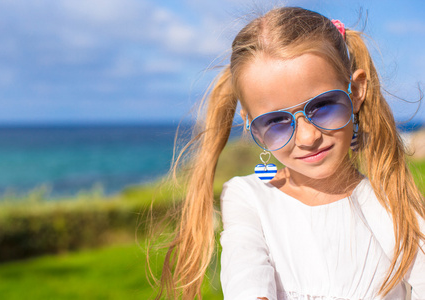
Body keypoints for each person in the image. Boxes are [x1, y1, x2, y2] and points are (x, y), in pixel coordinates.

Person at [151, 6, 425, 300]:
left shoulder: (391, 204)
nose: (308, 137)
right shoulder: (248, 198)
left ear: (356, 91)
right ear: (250, 125)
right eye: (276, 122)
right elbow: (247, 279)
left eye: (324, 106)